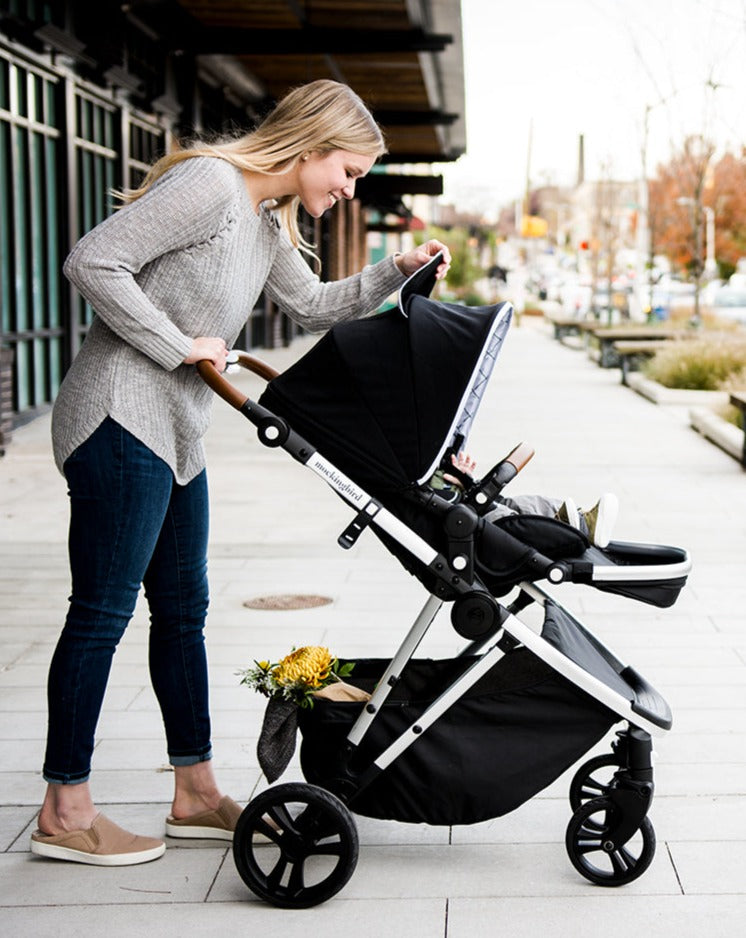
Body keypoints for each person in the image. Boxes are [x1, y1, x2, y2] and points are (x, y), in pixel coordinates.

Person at [31, 78, 451, 867]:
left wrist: (398, 268)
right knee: (102, 613)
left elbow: (315, 306)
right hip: (120, 415)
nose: (349, 188)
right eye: (349, 172)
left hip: (177, 432)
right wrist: (177, 343)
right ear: (311, 147)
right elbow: (93, 260)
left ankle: (193, 792)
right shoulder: (212, 186)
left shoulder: (263, 221)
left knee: (183, 610)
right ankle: (64, 811)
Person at [431, 452, 618, 548]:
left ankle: (580, 521)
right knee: (506, 519)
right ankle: (561, 530)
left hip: (460, 507)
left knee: (525, 503)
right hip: (467, 529)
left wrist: (465, 482)